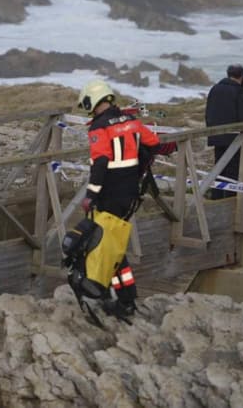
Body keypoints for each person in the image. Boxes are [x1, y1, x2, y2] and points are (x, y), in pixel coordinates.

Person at [77, 79, 159, 316]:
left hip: (108, 195)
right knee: (116, 245)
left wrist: (90, 194)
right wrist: (140, 168)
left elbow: (100, 162)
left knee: (104, 245)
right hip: (130, 194)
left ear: (92, 101)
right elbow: (153, 143)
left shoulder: (98, 128)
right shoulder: (131, 121)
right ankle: (126, 296)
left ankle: (114, 297)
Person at [205, 64, 243, 199]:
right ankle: (231, 200)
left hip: (216, 136)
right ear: (242, 76)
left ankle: (216, 198)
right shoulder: (238, 91)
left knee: (218, 169)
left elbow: (208, 112)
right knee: (233, 172)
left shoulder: (215, 89)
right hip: (234, 139)